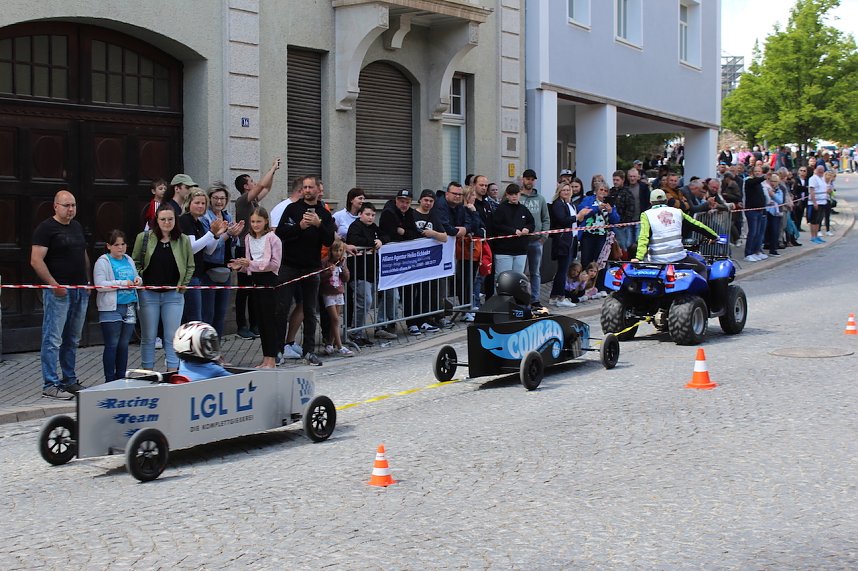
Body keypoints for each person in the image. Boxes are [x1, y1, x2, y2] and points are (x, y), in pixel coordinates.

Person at [31, 189, 91, 399]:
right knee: (53, 339)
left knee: (72, 339)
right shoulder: (45, 228)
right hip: (58, 292)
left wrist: (87, 281)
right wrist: (53, 284)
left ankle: (69, 380)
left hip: (80, 290)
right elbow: (36, 260)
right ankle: (50, 384)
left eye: (73, 205)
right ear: (56, 206)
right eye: (66, 205)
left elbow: (83, 254)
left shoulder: (76, 226)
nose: (71, 209)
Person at [275, 175, 336, 366]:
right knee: (282, 308)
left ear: (318, 190)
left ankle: (308, 351)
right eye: (305, 187)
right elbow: (280, 233)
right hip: (289, 266)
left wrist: (318, 224)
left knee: (310, 311)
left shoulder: (324, 213)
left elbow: (329, 240)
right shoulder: (292, 209)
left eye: (311, 187)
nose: (307, 190)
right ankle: (277, 350)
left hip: (311, 267)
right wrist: (299, 227)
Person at [132, 204, 194, 372]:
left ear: (175, 220)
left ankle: (173, 372)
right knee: (149, 336)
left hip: (173, 295)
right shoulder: (143, 238)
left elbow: (190, 265)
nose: (167, 222)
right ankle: (147, 372)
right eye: (163, 219)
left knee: (172, 336)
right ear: (156, 221)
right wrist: (140, 279)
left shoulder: (183, 240)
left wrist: (183, 284)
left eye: (170, 219)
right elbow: (135, 262)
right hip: (148, 295)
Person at [234, 157, 281, 340]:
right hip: (244, 248)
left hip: (257, 249)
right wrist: (272, 167)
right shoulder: (242, 201)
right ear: (246, 186)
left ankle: (255, 324)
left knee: (255, 289)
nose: (254, 183)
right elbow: (262, 185)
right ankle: (241, 326)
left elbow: (266, 188)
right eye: (251, 181)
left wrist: (273, 172)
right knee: (244, 289)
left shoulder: (253, 202)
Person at [229, 206, 281, 369]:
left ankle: (272, 359)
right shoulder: (248, 238)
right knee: (260, 321)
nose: (256, 225)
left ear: (266, 221)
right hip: (255, 281)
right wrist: (240, 266)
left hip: (269, 281)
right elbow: (249, 266)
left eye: (259, 221)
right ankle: (265, 358)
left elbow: (274, 264)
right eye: (253, 221)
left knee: (269, 321)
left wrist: (250, 264)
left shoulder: (273, 239)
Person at [632, 190, 718, 277]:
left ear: (650, 202)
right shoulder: (677, 212)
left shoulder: (646, 215)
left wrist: (638, 258)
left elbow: (643, 237)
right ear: (666, 201)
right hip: (679, 259)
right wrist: (714, 236)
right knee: (701, 269)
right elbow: (697, 225)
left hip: (657, 262)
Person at [94, 230, 141, 383]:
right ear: (108, 246)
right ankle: (109, 380)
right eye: (116, 245)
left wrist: (137, 280)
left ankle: (121, 378)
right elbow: (100, 285)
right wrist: (122, 283)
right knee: (112, 344)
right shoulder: (103, 262)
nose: (120, 248)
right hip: (111, 308)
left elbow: (135, 276)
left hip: (129, 306)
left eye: (123, 244)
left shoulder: (128, 259)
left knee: (123, 345)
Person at [179, 188, 228, 323]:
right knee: (194, 317)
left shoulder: (198, 223)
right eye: (197, 203)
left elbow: (208, 250)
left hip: (198, 274)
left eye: (203, 203)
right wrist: (211, 233)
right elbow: (191, 248)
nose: (200, 206)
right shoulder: (185, 220)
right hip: (188, 275)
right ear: (189, 203)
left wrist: (216, 235)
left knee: (194, 315)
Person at [201, 183, 244, 338]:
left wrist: (235, 235)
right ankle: (205, 346)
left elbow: (233, 244)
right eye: (216, 198)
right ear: (210, 199)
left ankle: (216, 346)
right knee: (208, 312)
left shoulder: (227, 217)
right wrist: (227, 234)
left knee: (221, 313)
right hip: (208, 269)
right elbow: (209, 247)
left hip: (226, 268)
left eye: (222, 198)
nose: (219, 201)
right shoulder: (206, 218)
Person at [378, 189, 422, 334]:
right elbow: (390, 234)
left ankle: (408, 322)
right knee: (391, 293)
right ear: (396, 200)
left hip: (405, 258)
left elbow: (414, 233)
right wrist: (404, 234)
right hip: (391, 259)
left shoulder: (410, 213)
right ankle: (384, 324)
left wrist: (404, 232)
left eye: (407, 202)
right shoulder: (388, 213)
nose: (404, 205)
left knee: (408, 290)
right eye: (402, 201)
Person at [406, 189, 447, 335]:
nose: (428, 203)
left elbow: (444, 237)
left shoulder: (433, 216)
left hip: (427, 262)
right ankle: (411, 322)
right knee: (411, 292)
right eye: (425, 200)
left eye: (431, 201)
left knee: (426, 292)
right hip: (412, 261)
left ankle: (423, 320)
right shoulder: (412, 214)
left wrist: (433, 234)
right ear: (420, 200)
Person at [346, 202, 387, 344]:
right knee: (364, 301)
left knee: (367, 302)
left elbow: (385, 236)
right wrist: (373, 242)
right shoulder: (355, 226)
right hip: (359, 272)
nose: (370, 217)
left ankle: (359, 330)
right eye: (367, 214)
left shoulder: (374, 227)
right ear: (360, 214)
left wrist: (381, 240)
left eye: (373, 215)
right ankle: (355, 332)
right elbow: (355, 240)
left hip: (372, 271)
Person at [520, 169, 550, 305]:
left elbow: (546, 218)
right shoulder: (518, 197)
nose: (530, 181)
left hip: (536, 241)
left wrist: (544, 236)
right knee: (520, 272)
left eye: (532, 179)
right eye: (528, 179)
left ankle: (535, 299)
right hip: (520, 241)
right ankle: (521, 298)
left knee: (535, 272)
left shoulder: (540, 199)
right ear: (523, 179)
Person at [490, 183, 535, 276]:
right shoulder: (501, 209)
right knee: (503, 278)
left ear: (520, 194)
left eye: (516, 194)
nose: (514, 196)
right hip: (504, 251)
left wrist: (527, 228)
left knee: (518, 278)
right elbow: (496, 225)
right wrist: (513, 231)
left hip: (521, 250)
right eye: (511, 194)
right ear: (507, 195)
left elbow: (531, 223)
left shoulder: (523, 209)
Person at [319, 240, 353, 357]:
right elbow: (321, 278)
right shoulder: (325, 262)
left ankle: (330, 344)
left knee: (335, 320)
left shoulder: (342, 262)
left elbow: (346, 278)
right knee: (335, 319)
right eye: (335, 250)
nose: (338, 253)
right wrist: (329, 272)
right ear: (331, 251)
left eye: (340, 251)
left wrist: (343, 269)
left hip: (339, 292)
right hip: (328, 293)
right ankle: (339, 346)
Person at [548, 181, 577, 308]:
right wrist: (578, 217)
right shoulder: (558, 204)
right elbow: (563, 220)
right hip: (562, 240)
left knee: (563, 269)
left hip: (571, 239)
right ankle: (560, 297)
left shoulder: (570, 204)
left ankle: (554, 296)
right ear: (559, 192)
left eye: (568, 190)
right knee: (562, 270)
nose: (566, 192)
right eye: (563, 190)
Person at [807, 164, 828, 244]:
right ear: (816, 170)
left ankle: (816, 236)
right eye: (819, 171)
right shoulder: (813, 179)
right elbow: (812, 191)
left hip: (822, 202)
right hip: (816, 203)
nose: (821, 173)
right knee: (814, 221)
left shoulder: (822, 178)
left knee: (819, 220)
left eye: (822, 171)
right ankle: (813, 236)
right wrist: (814, 202)